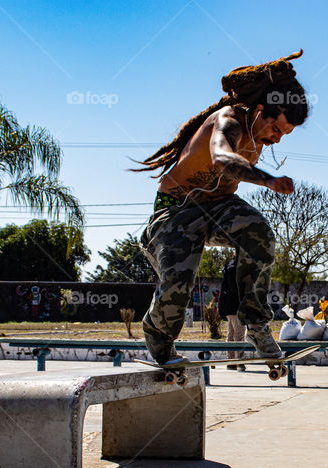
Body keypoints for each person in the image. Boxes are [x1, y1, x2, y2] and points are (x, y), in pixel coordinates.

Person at [132, 50, 309, 365]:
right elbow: (222, 159)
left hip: (219, 208)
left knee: (260, 234)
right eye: (276, 130)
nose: (276, 140)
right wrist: (268, 180)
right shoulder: (227, 120)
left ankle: (255, 322)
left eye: (284, 135)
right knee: (178, 284)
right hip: (175, 211)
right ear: (260, 110)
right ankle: (159, 340)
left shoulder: (258, 135)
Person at [218, 255, 247, 370]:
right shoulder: (235, 268)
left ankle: (230, 362)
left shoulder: (228, 266)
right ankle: (239, 362)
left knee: (231, 334)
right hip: (236, 306)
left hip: (228, 306)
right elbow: (236, 288)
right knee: (239, 335)